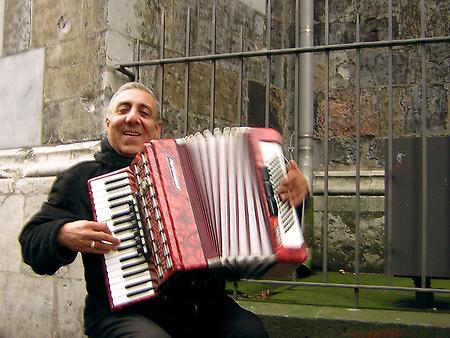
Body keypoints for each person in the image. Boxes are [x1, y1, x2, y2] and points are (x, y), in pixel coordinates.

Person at [19, 82, 309, 338]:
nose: (132, 117)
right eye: (123, 110)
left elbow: (264, 221)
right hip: (125, 314)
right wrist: (61, 233)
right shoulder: (80, 179)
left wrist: (294, 197)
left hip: (204, 307)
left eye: (144, 113)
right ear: (108, 123)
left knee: (248, 331)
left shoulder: (188, 168)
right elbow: (32, 242)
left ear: (157, 129)